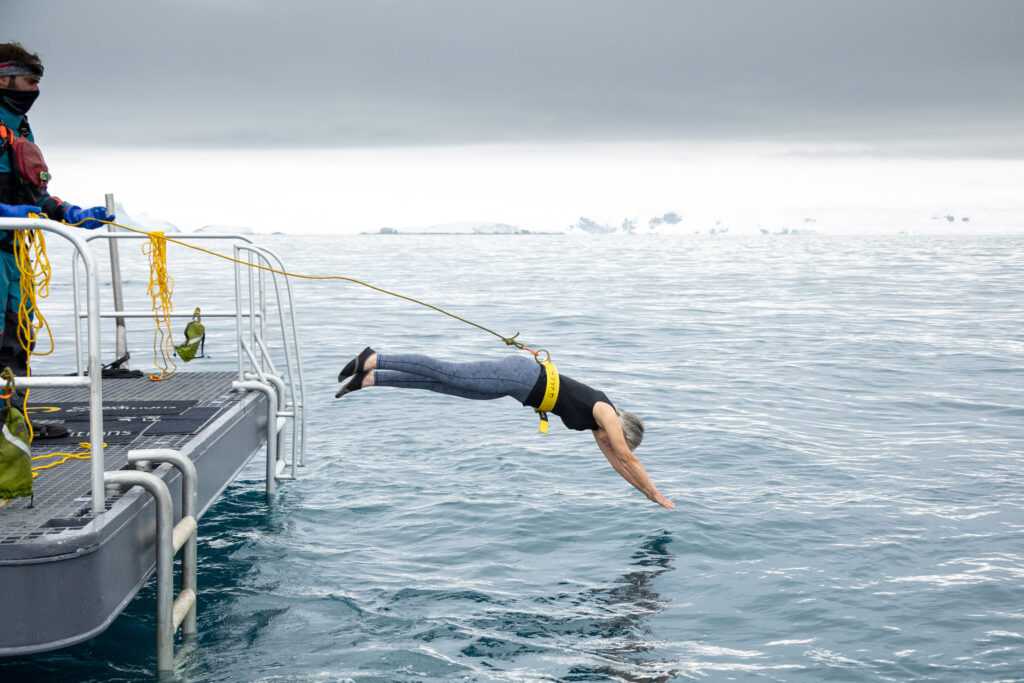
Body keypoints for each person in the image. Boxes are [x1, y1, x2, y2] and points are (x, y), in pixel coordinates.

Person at [336, 347, 675, 509]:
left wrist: (645, 494)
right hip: (521, 376)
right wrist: (658, 494)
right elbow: (628, 460)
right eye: (619, 442)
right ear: (622, 429)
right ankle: (375, 358)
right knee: (449, 374)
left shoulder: (597, 429)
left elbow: (619, 464)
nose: (611, 443)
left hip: (518, 389)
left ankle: (371, 379)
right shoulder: (606, 414)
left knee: (448, 387)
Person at [0, 42, 113, 438]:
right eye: (29, 81)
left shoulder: (18, 129)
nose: (34, 91)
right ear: (4, 76)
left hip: (15, 258)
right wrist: (6, 214)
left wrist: (69, 213)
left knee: (16, 341)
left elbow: (33, 194)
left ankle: (13, 425)